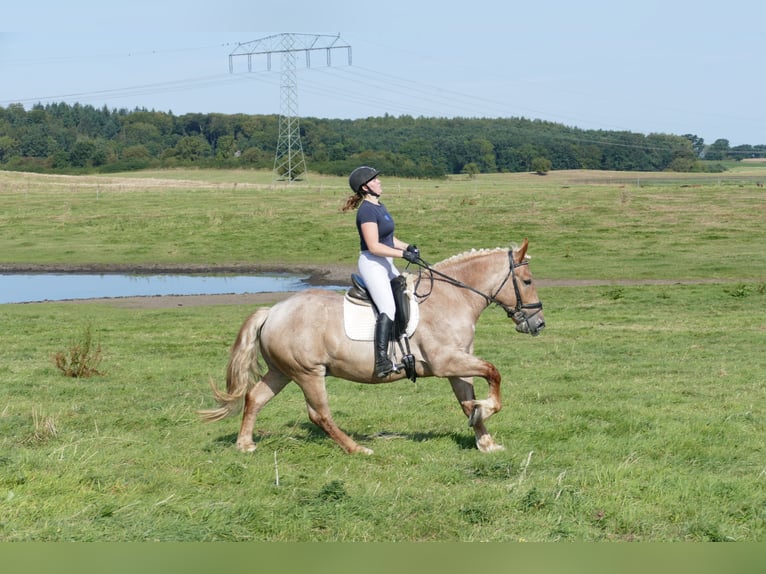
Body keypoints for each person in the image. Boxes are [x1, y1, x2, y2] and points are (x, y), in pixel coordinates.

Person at [343, 166, 420, 378]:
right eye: (375, 180)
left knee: (406, 295)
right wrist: (402, 256)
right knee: (387, 307)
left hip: (385, 260)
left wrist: (407, 247)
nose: (379, 182)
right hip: (372, 263)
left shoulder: (379, 206)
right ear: (365, 187)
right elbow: (374, 246)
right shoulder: (366, 210)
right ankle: (382, 361)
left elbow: (388, 239)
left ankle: (403, 349)